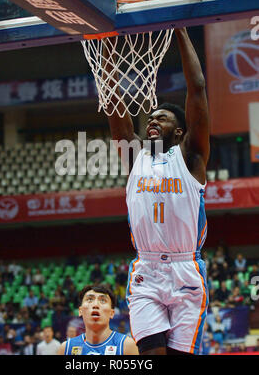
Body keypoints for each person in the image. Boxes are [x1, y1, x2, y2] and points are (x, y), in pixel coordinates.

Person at [104, 27, 210, 355]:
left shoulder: (190, 155)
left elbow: (198, 88)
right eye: (150, 117)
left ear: (179, 131)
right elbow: (114, 103)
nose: (152, 120)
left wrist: (178, 28)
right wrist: (102, 41)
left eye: (161, 118)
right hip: (146, 272)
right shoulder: (136, 156)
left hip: (186, 270)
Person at [57, 284, 138, 355]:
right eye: (89, 299)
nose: (95, 305)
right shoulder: (66, 349)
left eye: (103, 300)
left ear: (112, 313)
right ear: (80, 311)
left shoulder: (126, 346)